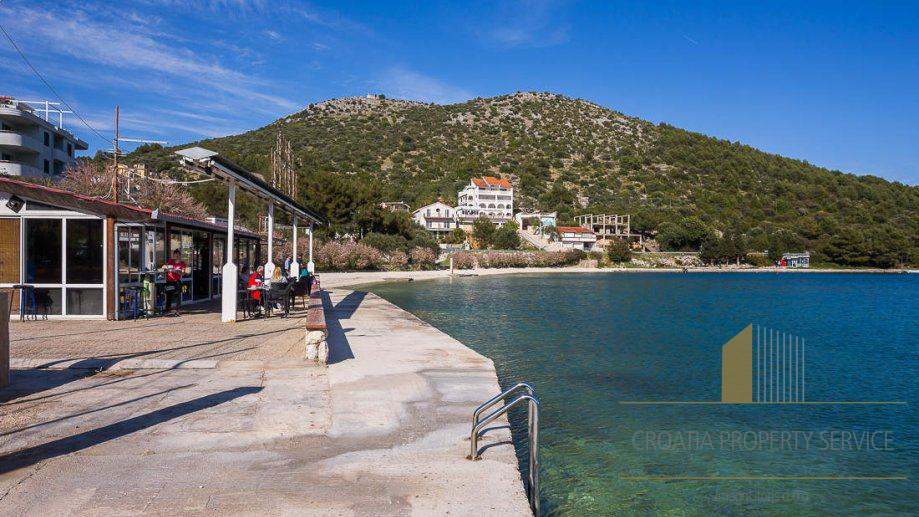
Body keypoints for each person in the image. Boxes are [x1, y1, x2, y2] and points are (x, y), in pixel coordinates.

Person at [163, 249, 186, 316]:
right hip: (169, 281)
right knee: (169, 295)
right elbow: (163, 267)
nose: (176, 257)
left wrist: (177, 271)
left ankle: (177, 310)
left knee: (177, 296)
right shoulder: (170, 261)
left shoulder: (182, 263)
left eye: (178, 256)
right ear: (173, 255)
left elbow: (183, 273)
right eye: (175, 256)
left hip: (177, 282)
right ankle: (167, 310)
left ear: (180, 256)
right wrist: (166, 268)